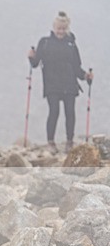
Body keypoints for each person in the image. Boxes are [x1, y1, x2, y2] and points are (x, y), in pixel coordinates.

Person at [28, 11, 94, 153]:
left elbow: (76, 67)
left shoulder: (71, 44)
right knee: (54, 111)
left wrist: (86, 76)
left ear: (67, 28)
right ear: (54, 27)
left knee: (70, 112)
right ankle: (51, 142)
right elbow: (35, 63)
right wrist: (31, 57)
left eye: (63, 29)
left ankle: (69, 142)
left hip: (69, 84)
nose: (61, 31)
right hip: (52, 85)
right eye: (59, 28)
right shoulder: (45, 42)